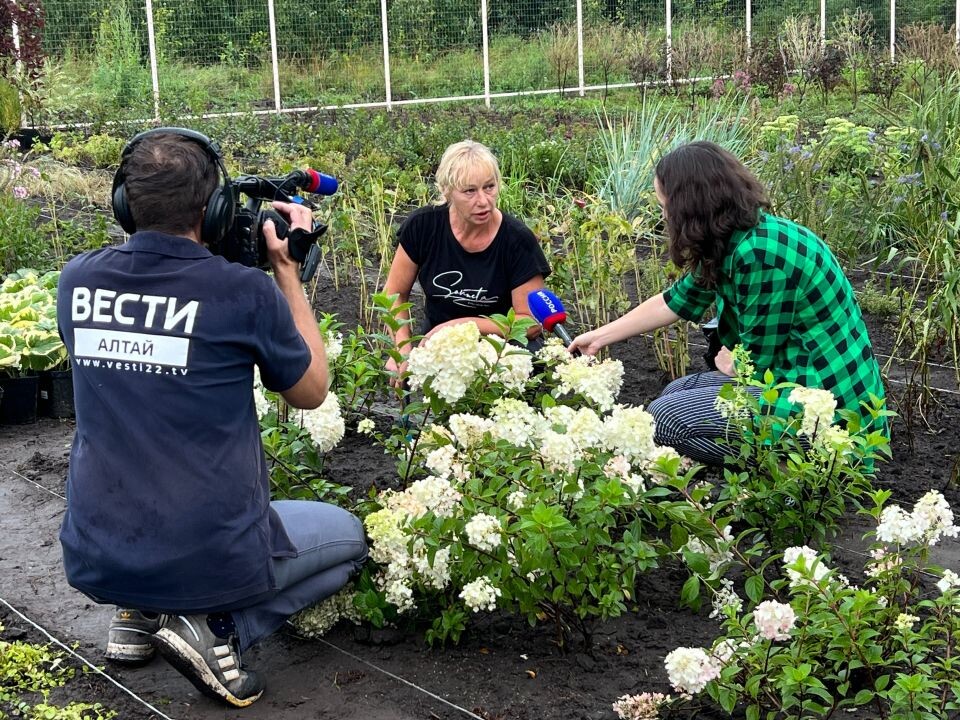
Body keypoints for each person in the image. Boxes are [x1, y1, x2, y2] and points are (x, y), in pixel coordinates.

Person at [56, 128, 367, 707]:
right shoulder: (242, 293)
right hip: (207, 551)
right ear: (216, 209)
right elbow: (311, 392)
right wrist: (287, 272)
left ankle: (137, 614)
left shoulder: (76, 281)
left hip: (98, 548)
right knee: (348, 540)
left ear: (124, 203)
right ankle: (214, 630)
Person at [569, 140, 887, 464]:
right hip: (793, 379)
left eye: (665, 206)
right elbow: (674, 302)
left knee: (665, 418)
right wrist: (599, 337)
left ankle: (795, 477)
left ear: (689, 207)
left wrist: (733, 362)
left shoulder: (761, 257)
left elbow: (752, 365)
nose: (664, 215)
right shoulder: (737, 238)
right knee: (675, 393)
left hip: (826, 411)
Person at [382, 140, 551, 381]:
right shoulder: (423, 227)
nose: (483, 201)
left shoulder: (517, 240)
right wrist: (402, 349)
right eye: (469, 191)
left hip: (501, 347)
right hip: (437, 340)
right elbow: (394, 294)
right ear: (447, 191)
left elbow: (530, 323)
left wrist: (459, 326)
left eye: (489, 187)